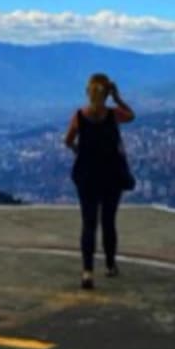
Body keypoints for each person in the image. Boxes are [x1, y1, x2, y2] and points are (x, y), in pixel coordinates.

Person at [63, 73, 134, 289]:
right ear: (107, 93)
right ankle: (110, 265)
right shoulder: (113, 115)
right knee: (109, 221)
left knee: (89, 223)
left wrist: (79, 152)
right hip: (111, 175)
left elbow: (68, 140)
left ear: (88, 92)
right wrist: (118, 98)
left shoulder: (79, 116)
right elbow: (131, 115)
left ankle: (87, 272)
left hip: (87, 176)